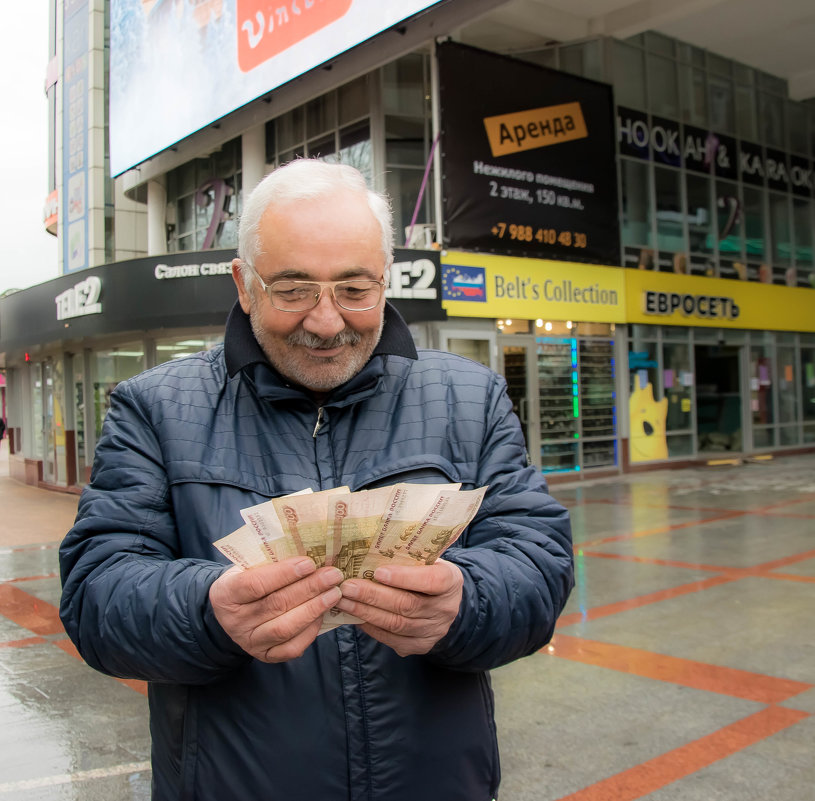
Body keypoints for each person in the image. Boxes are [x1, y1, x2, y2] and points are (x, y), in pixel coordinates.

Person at [59, 159, 573, 801]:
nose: (327, 322)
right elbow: (95, 595)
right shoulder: (153, 409)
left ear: (385, 282)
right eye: (294, 289)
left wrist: (466, 603)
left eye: (355, 290)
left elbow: (541, 563)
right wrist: (207, 610)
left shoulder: (472, 398)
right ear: (244, 286)